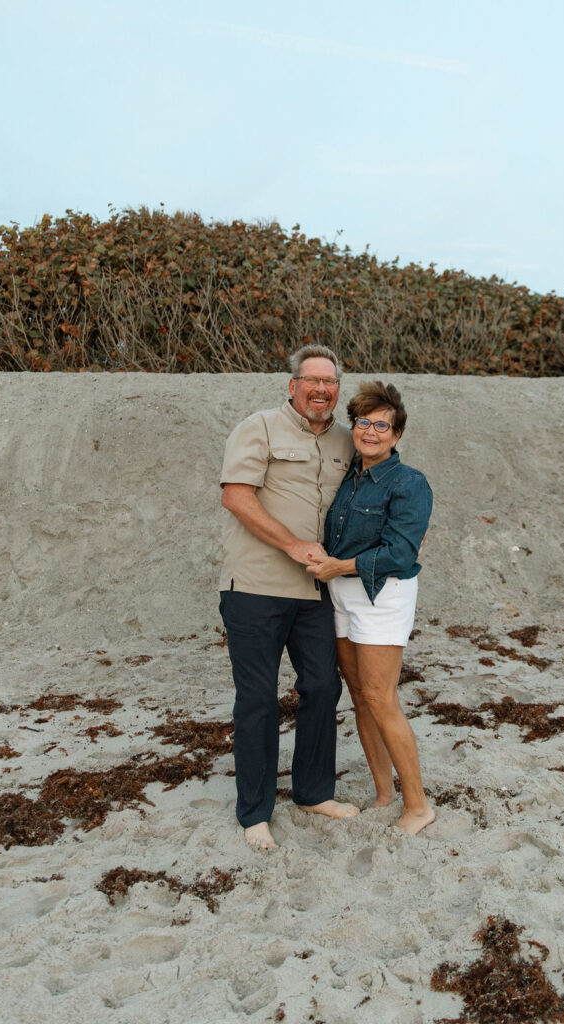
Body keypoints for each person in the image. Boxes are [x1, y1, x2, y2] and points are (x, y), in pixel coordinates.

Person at [218, 345, 360, 850]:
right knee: (257, 699)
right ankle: (254, 813)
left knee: (322, 687)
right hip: (254, 587)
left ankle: (312, 792)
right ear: (293, 385)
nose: (322, 388)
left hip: (315, 590)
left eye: (331, 381)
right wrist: (293, 544)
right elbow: (236, 495)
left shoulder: (348, 440)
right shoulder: (258, 427)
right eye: (312, 379)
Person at [306, 381, 435, 835]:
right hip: (340, 592)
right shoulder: (349, 477)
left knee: (382, 698)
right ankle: (385, 792)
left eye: (382, 425)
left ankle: (418, 806)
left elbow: (401, 554)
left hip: (382, 596)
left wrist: (338, 565)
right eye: (364, 422)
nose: (372, 432)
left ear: (397, 435)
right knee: (359, 696)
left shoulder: (409, 483)